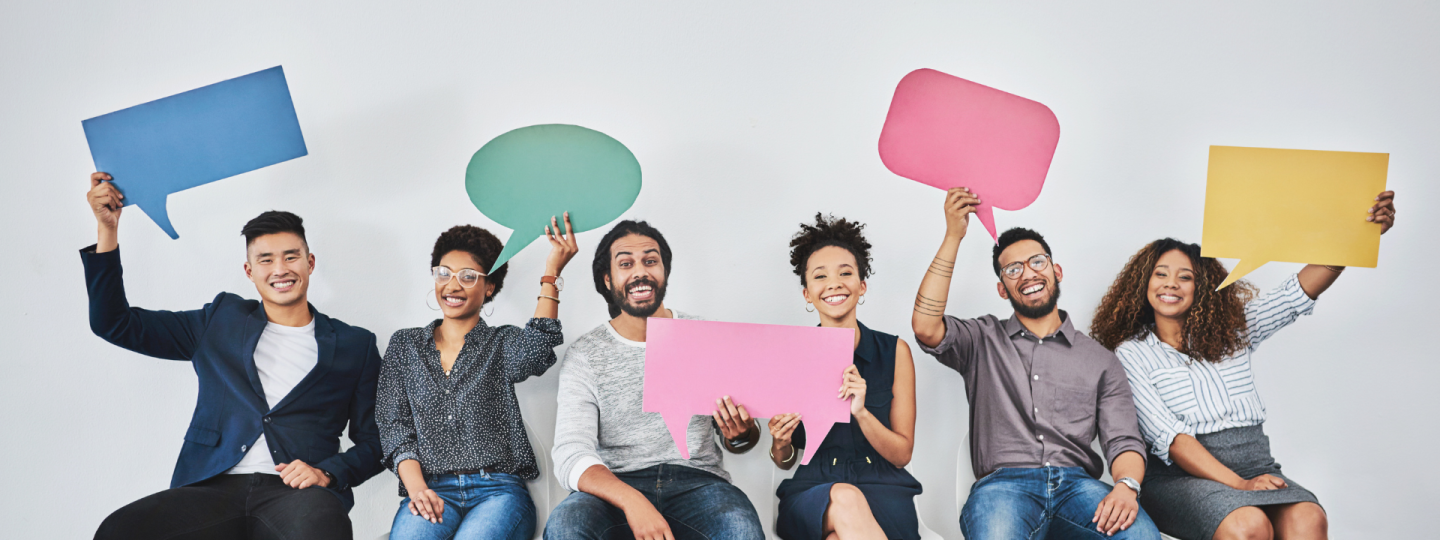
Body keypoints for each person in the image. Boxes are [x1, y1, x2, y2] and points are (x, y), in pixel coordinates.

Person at [83, 173, 383, 540]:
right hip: (212, 486)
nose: (280, 269)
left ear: (310, 263)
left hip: (299, 495)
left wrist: (328, 473)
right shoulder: (220, 320)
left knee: (322, 529)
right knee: (120, 531)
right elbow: (113, 323)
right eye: (266, 259)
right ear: (249, 271)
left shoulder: (356, 344)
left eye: (291, 257)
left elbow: (376, 441)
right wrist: (107, 230)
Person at [1089, 190, 1395, 540]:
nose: (1171, 283)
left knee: (1309, 518)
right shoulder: (1130, 354)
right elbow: (1173, 441)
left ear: (1201, 287)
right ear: (1142, 285)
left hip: (1257, 464)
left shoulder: (1234, 330)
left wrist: (1360, 234)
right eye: (1161, 274)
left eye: (1185, 277)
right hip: (1180, 477)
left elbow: (1295, 294)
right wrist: (1240, 485)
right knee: (1249, 525)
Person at [911, 187, 1161, 540]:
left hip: (1078, 488)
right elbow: (925, 325)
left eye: (1037, 262)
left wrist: (1126, 487)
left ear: (1056, 270)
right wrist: (954, 234)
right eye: (1012, 269)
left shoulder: (1100, 360)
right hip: (1003, 488)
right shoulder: (982, 339)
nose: (1027, 274)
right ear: (1002, 289)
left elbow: (1124, 440)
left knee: (1140, 537)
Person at [545, 220, 765, 540]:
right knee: (567, 526)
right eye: (625, 263)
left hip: (699, 483)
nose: (640, 272)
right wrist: (633, 501)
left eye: (650, 261)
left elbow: (742, 439)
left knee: (740, 528)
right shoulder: (586, 354)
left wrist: (740, 433)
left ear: (664, 272)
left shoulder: (707, 336)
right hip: (615, 487)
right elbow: (570, 454)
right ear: (608, 279)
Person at [378, 216, 580, 540]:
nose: (452, 285)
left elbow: (538, 347)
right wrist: (417, 490)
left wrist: (551, 273)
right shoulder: (405, 345)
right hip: (431, 487)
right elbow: (394, 427)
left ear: (490, 287)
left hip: (498, 492)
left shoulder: (501, 344)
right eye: (444, 273)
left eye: (468, 276)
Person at [769, 214, 923, 540]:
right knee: (845, 498)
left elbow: (902, 454)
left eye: (845, 273)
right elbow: (785, 460)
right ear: (807, 294)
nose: (834, 283)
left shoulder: (895, 351)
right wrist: (780, 443)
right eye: (820, 276)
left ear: (861, 286)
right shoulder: (790, 357)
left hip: (883, 488)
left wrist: (862, 413)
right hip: (813, 489)